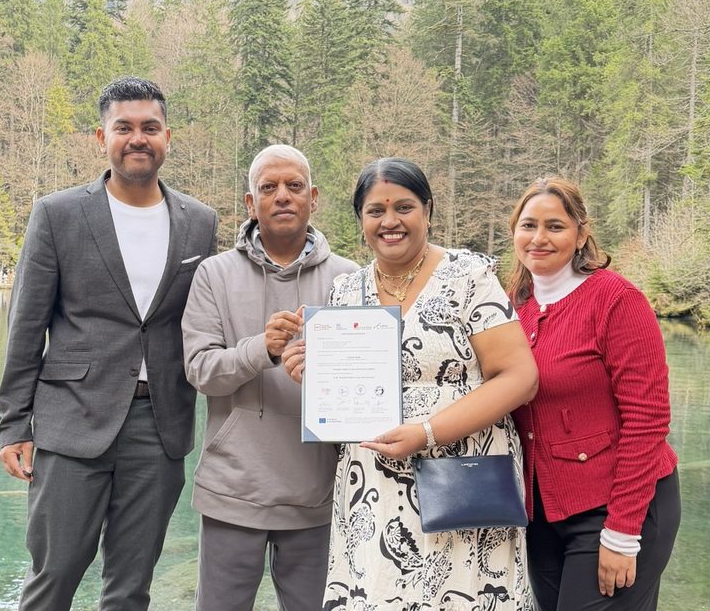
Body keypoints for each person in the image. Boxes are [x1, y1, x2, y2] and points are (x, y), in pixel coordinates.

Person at [0, 76, 218, 610]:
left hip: (160, 426)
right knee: (53, 576)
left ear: (168, 138)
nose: (137, 138)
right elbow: (26, 326)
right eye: (124, 128)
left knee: (131, 586)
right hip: (71, 421)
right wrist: (14, 424)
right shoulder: (58, 214)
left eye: (150, 128)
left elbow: (206, 320)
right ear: (102, 138)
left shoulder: (199, 222)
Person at [282, 157, 539, 611]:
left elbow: (520, 378)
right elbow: (347, 388)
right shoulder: (346, 291)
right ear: (361, 219)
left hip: (463, 479)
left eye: (404, 207)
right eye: (375, 211)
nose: (390, 221)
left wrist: (427, 432)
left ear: (427, 210)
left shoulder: (468, 276)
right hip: (373, 486)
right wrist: (311, 373)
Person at [181, 144, 357, 611]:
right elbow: (200, 371)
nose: (282, 196)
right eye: (268, 187)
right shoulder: (213, 274)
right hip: (232, 488)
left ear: (313, 198)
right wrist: (262, 349)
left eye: (294, 186)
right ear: (250, 202)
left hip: (319, 490)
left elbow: (364, 391)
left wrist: (323, 377)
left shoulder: (350, 279)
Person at [506, 177, 680, 611]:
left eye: (555, 226)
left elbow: (648, 421)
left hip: (617, 508)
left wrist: (622, 532)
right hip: (541, 514)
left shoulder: (617, 300)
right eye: (528, 225)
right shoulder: (510, 306)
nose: (539, 238)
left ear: (581, 233)